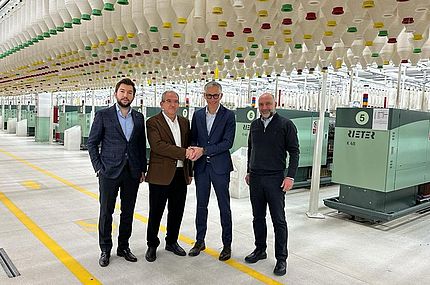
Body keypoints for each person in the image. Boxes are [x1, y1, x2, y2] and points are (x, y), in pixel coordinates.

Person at [87, 78, 147, 267]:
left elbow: (139, 145)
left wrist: (142, 169)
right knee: (106, 212)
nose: (125, 95)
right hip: (109, 172)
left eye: (129, 92)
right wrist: (98, 167)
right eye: (122, 91)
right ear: (115, 93)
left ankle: (123, 247)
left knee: (128, 212)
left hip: (132, 173)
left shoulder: (138, 118)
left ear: (133, 96)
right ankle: (105, 249)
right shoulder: (103, 115)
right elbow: (92, 143)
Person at [245, 93, 299, 276]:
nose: (264, 107)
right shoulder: (255, 125)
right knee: (257, 217)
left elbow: (294, 152)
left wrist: (290, 176)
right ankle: (260, 250)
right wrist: (248, 171)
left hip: (276, 179)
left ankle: (281, 259)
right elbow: (250, 149)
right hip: (256, 178)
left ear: (275, 104)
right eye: (261, 104)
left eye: (268, 103)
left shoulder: (285, 124)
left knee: (278, 220)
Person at [188, 81, 235, 261]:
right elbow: (193, 138)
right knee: (201, 206)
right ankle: (200, 241)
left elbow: (227, 143)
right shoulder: (198, 115)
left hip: (220, 167)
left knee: (224, 206)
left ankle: (227, 245)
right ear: (204, 96)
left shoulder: (228, 116)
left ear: (221, 96)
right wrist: (194, 155)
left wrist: (205, 151)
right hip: (202, 168)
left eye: (216, 95)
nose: (213, 99)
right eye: (209, 96)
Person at [144, 90, 193, 262]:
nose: (173, 104)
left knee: (177, 211)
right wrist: (184, 153)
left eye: (176, 101)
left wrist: (190, 172)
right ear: (162, 104)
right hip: (160, 176)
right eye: (169, 101)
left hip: (181, 174)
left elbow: (189, 146)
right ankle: (152, 244)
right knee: (156, 211)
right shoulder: (153, 122)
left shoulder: (185, 122)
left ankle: (171, 241)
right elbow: (158, 146)